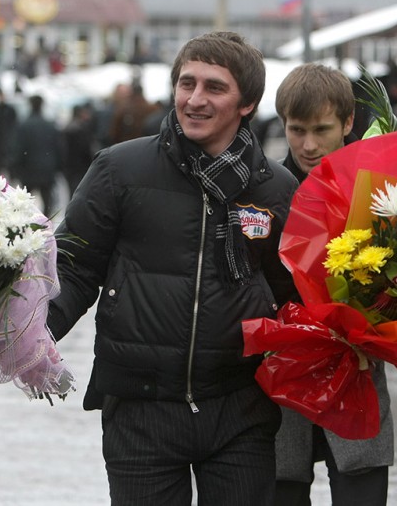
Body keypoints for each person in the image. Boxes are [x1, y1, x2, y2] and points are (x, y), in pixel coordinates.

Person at [47, 31, 299, 505]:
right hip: (140, 407)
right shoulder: (120, 169)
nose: (195, 99)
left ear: (247, 103)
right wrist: (29, 332)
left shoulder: (275, 188)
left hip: (240, 406)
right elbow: (74, 267)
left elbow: (291, 294)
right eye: (187, 83)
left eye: (214, 87)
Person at [273, 62, 394, 506]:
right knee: (284, 486)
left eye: (321, 130)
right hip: (283, 376)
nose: (308, 145)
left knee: (361, 486)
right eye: (296, 130)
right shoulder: (266, 192)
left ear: (347, 122)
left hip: (357, 372)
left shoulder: (381, 190)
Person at [9, 94, 61, 216]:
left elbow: (18, 148)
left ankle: (25, 223)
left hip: (28, 168)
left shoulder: (23, 126)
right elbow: (58, 148)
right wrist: (58, 167)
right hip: (46, 168)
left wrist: (14, 167)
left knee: (24, 202)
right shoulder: (50, 125)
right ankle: (46, 223)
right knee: (47, 202)